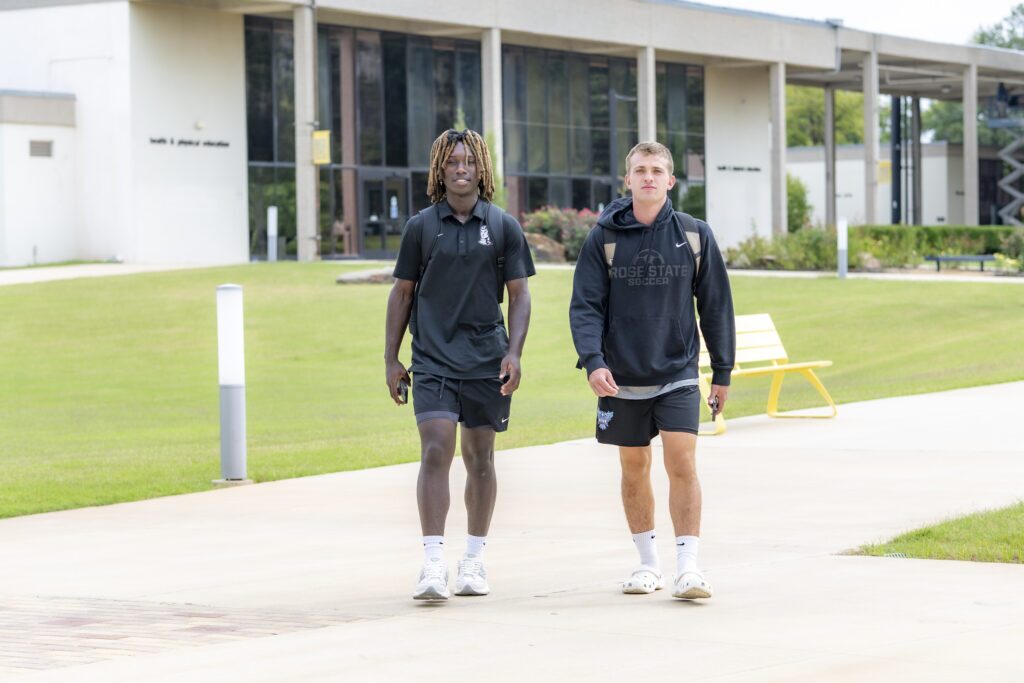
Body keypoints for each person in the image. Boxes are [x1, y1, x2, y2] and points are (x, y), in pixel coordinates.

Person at [569, 141, 735, 600]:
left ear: (670, 180)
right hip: (621, 375)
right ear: (627, 180)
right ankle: (647, 564)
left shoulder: (695, 235)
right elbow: (584, 306)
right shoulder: (603, 237)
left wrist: (722, 371)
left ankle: (689, 567)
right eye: (639, 170)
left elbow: (716, 306)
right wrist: (593, 362)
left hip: (678, 370)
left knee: (681, 461)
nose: (648, 177)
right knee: (634, 466)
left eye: (656, 170)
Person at [384, 129, 535, 601]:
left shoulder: (504, 226)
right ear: (439, 170)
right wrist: (391, 357)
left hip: (486, 361)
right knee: (435, 450)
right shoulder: (421, 227)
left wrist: (514, 352)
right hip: (431, 360)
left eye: (469, 160)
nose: (461, 168)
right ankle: (432, 565)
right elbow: (402, 292)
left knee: (480, 460)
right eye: (451, 161)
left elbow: (520, 294)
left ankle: (473, 560)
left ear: (481, 168)